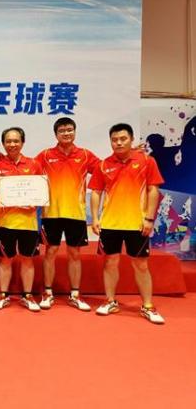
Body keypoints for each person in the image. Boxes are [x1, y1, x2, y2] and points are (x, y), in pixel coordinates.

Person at [89, 123, 165, 324]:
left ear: (131, 139)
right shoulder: (103, 165)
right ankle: (110, 301)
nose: (119, 143)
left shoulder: (147, 161)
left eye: (123, 139)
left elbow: (153, 190)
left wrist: (149, 218)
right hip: (110, 224)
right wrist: (95, 218)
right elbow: (96, 192)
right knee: (110, 262)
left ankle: (148, 306)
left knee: (141, 265)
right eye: (114, 139)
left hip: (136, 223)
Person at [34, 117, 99, 311]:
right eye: (62, 130)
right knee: (50, 252)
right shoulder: (46, 155)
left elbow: (106, 169)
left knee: (75, 253)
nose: (66, 133)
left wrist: (130, 154)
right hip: (51, 213)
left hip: (76, 213)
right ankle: (47, 293)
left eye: (69, 130)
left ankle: (75, 295)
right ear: (56, 134)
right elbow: (27, 169)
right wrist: (3, 161)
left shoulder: (85, 155)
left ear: (75, 132)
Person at [0, 127, 43, 312]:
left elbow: (42, 189)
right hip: (6, 222)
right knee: (6, 259)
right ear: (3, 144)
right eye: (8, 141)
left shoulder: (34, 164)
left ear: (22, 142)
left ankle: (27, 296)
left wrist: (36, 200)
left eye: (16, 141)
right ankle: (3, 295)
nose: (12, 144)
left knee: (27, 260)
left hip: (28, 222)